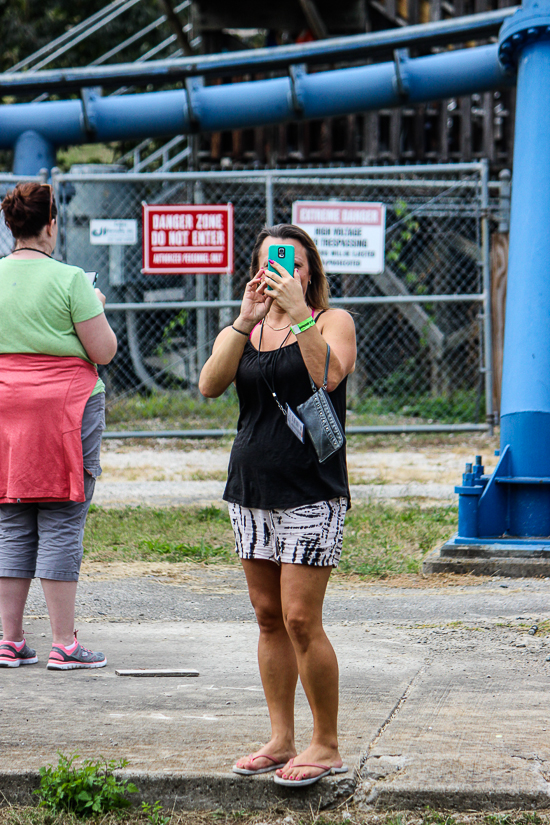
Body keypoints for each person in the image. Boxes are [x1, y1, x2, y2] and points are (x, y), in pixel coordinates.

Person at [199, 223, 356, 787]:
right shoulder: (246, 327)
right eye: (270, 264)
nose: (282, 272)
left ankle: (327, 743)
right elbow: (209, 385)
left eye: (292, 262)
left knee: (299, 618)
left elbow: (328, 375)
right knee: (268, 618)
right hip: (251, 490)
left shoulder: (333, 322)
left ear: (310, 269)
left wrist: (302, 315)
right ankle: (281, 737)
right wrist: (245, 320)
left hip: (311, 489)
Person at [0, 181, 117, 670]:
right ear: (52, 223)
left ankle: (9, 640)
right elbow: (104, 352)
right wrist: (97, 306)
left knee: (10, 517)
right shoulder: (72, 281)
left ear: (10, 226)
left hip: (6, 406)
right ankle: (64, 643)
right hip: (67, 409)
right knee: (63, 517)